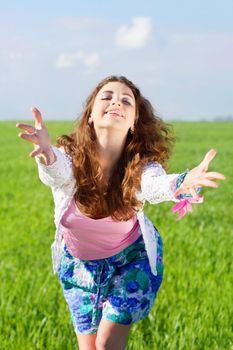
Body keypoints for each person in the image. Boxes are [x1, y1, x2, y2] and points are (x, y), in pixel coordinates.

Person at [16, 75, 225, 350]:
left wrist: (180, 183)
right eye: (107, 96)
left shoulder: (140, 167)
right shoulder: (71, 156)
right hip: (80, 268)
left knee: (106, 343)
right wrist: (46, 153)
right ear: (90, 114)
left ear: (134, 122)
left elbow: (153, 185)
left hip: (130, 261)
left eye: (126, 100)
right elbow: (57, 172)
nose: (116, 101)